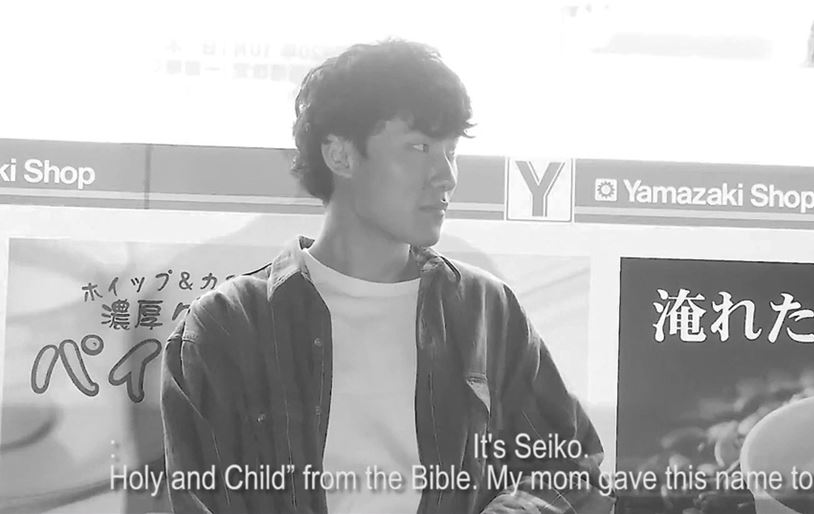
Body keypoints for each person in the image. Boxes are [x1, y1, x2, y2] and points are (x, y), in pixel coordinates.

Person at [160, 39, 613, 514]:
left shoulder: (486, 311)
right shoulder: (227, 326)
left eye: (451, 151)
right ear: (340, 155)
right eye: (419, 146)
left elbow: (571, 471)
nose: (446, 175)